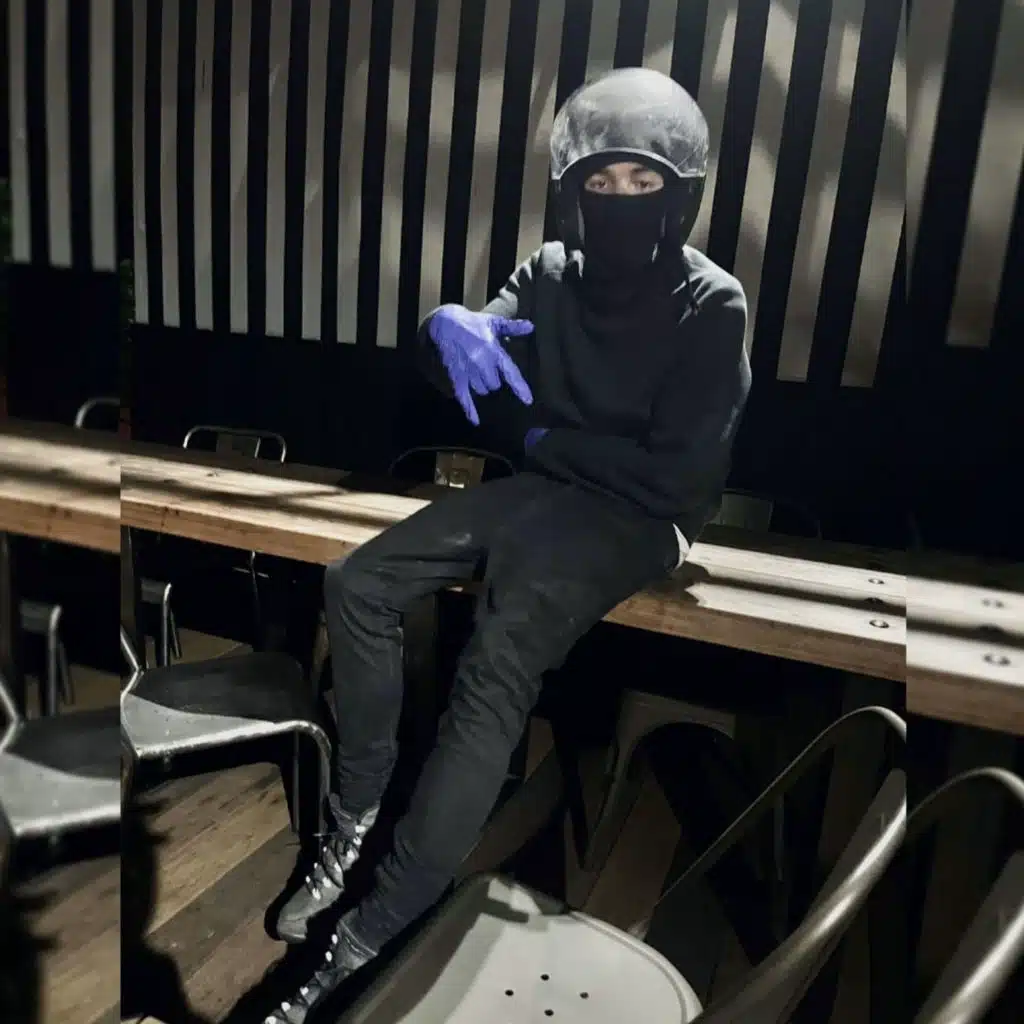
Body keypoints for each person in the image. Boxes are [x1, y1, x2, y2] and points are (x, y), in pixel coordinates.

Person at [263, 66, 751, 1023]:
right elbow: (479, 355)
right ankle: (357, 814)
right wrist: (440, 327)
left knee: (496, 661)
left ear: (680, 193)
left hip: (643, 519)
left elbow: (680, 481)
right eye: (601, 180)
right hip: (547, 488)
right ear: (572, 189)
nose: (619, 197)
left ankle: (370, 935)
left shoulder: (711, 301)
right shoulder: (551, 270)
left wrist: (536, 441)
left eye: (642, 180)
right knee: (357, 581)